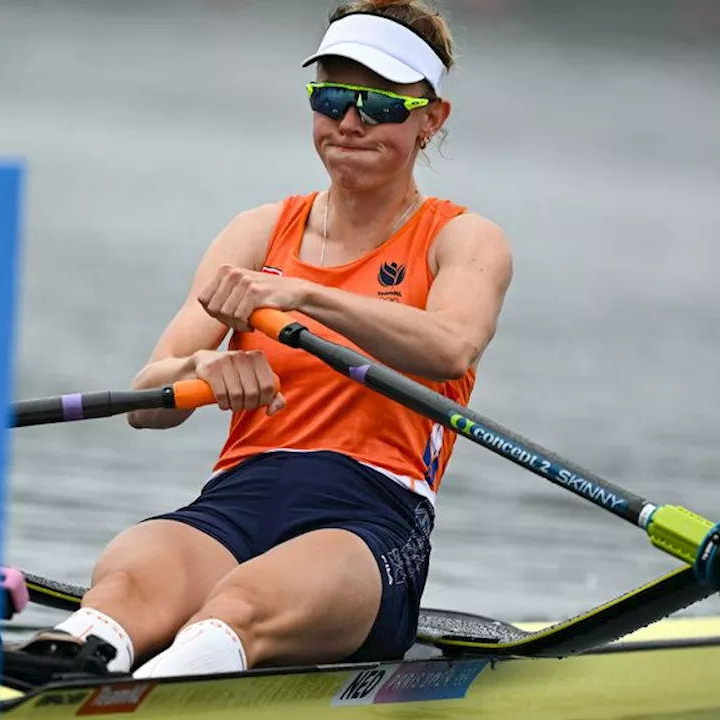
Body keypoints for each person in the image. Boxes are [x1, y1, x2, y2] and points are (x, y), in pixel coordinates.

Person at [35, 0, 513, 679]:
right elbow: (146, 402)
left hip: (371, 518)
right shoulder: (257, 233)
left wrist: (303, 295)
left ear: (431, 119)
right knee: (123, 585)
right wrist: (203, 367)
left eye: (379, 105)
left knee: (241, 607)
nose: (349, 122)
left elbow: (449, 348)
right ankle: (62, 670)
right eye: (332, 97)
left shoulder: (463, 239)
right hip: (237, 499)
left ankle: (175, 669)